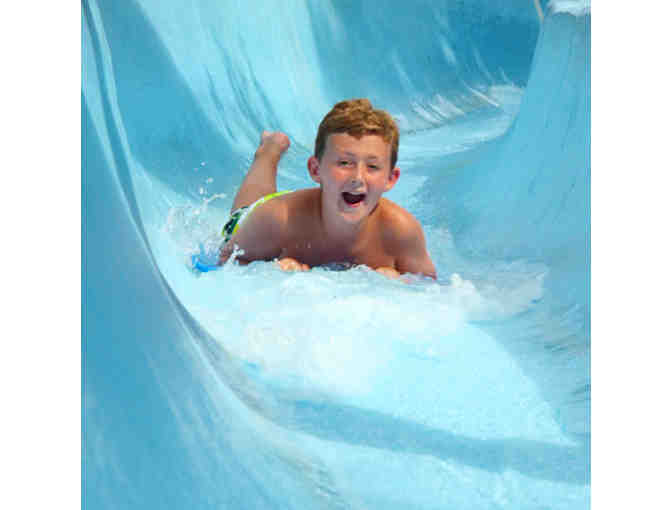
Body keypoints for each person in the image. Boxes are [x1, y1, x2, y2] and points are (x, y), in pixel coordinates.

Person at [218, 98, 437, 279]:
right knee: (246, 211)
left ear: (390, 178)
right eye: (345, 163)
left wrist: (400, 284)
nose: (358, 178)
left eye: (372, 166)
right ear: (315, 169)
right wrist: (268, 273)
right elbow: (225, 260)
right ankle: (270, 149)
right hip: (274, 212)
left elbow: (431, 289)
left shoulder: (401, 232)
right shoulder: (277, 218)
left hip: (312, 201)